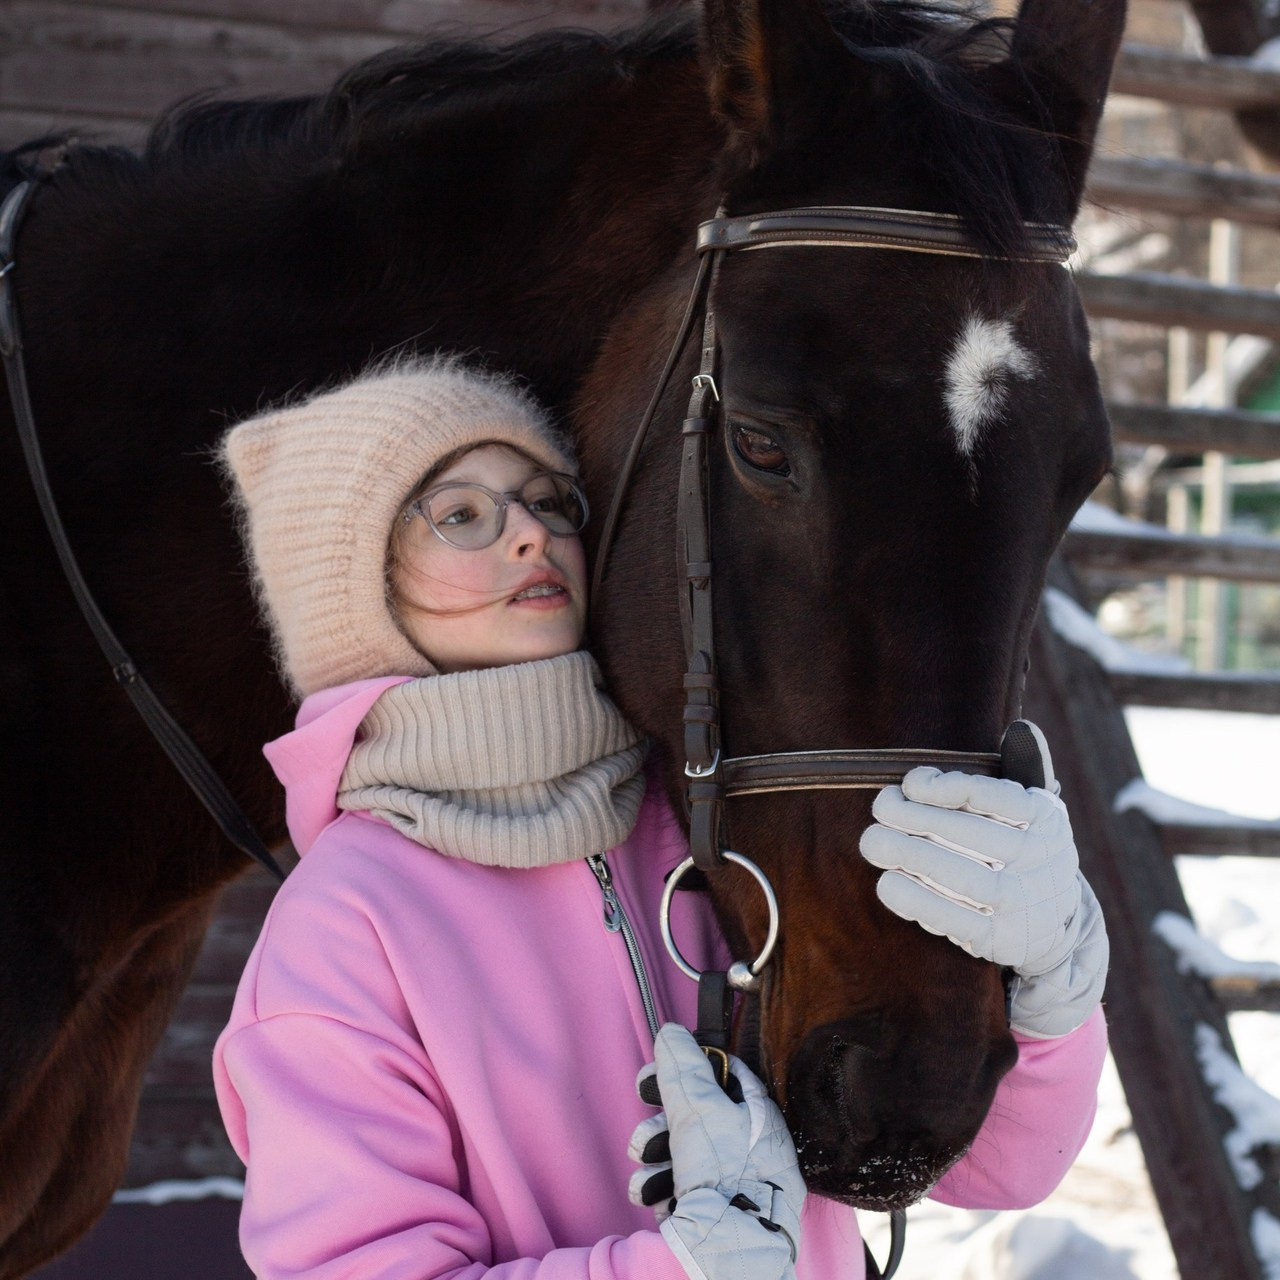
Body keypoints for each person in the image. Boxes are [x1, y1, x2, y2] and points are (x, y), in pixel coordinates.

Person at [213, 357, 1110, 1280]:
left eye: (548, 499)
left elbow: (992, 1166)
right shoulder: (345, 925)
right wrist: (681, 1269)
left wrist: (1048, 983)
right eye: (462, 515)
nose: (531, 533)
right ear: (357, 592)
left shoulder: (708, 816)